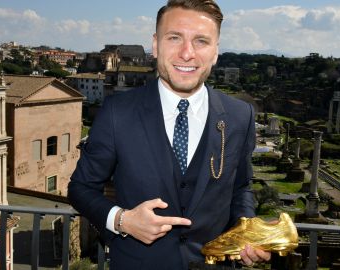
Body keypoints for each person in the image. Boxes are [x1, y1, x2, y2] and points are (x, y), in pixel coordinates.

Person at [68, 0, 271, 269]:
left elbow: (240, 188)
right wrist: (122, 220)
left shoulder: (240, 116)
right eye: (174, 38)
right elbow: (80, 188)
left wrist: (247, 229)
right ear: (155, 45)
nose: (187, 53)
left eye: (201, 41)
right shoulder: (118, 112)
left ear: (216, 51)